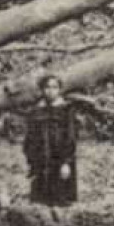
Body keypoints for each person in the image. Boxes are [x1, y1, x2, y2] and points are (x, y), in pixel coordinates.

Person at [24, 73, 81, 206]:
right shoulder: (36, 111)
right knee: (41, 200)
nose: (51, 91)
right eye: (47, 87)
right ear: (42, 89)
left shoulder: (66, 110)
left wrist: (66, 162)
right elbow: (30, 138)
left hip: (60, 159)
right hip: (41, 161)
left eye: (54, 87)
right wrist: (31, 160)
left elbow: (70, 136)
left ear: (59, 89)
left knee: (61, 197)